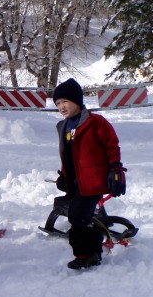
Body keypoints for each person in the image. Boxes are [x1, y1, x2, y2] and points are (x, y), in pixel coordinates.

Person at [52, 78, 127, 270]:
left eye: (65, 101)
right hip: (77, 182)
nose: (61, 106)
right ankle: (94, 251)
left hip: (93, 181)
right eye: (58, 103)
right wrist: (64, 176)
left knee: (77, 216)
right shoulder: (64, 127)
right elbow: (69, 156)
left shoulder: (96, 123)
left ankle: (85, 255)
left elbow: (112, 147)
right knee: (80, 217)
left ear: (77, 101)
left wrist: (116, 170)